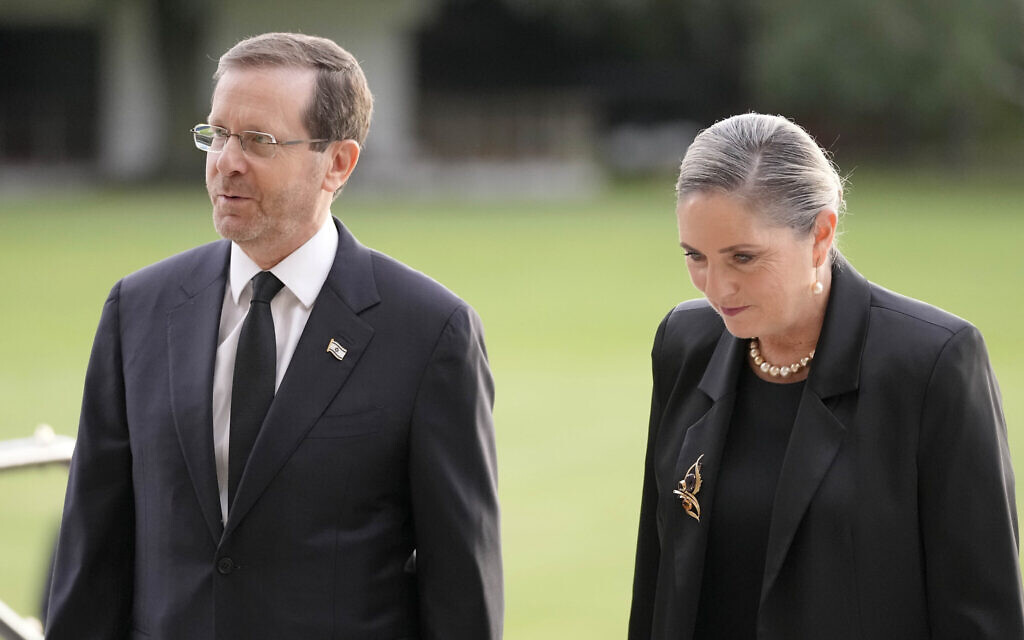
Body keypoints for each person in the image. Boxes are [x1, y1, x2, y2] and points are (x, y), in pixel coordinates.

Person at [46, 32, 502, 640]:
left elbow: (460, 591)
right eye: (217, 134)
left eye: (258, 140)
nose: (225, 161)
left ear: (337, 163)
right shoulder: (138, 309)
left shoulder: (429, 332)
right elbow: (91, 554)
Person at [628, 113, 1024, 639]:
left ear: (821, 234)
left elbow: (981, 614)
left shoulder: (933, 364)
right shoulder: (685, 344)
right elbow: (657, 582)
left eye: (743, 257)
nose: (717, 289)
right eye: (695, 256)